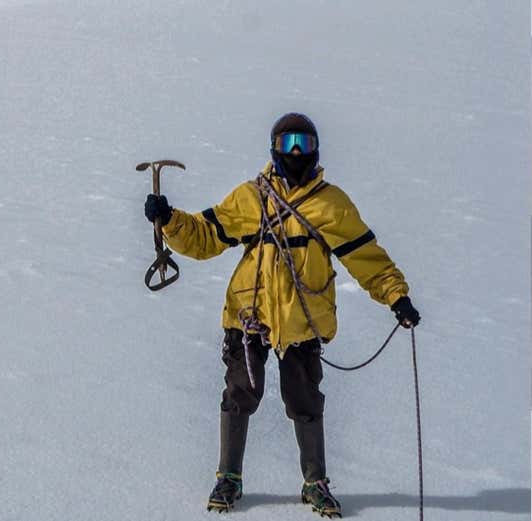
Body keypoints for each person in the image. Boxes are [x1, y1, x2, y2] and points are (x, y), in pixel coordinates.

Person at [144, 113, 420, 518]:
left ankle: (315, 482)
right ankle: (229, 477)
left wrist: (396, 296)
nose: (295, 152)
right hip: (248, 314)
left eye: (303, 144)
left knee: (304, 398)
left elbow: (366, 258)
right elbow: (204, 237)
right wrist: (169, 220)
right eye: (288, 143)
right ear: (273, 148)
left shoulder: (332, 205)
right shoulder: (250, 198)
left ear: (316, 150)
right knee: (240, 392)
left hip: (304, 320)